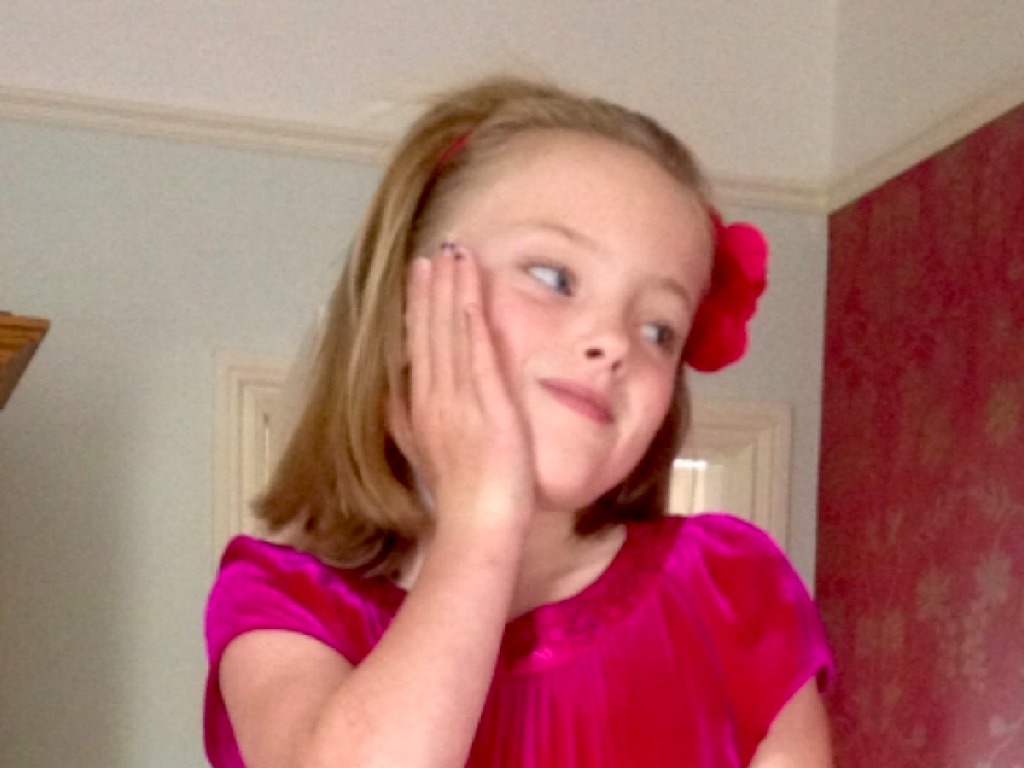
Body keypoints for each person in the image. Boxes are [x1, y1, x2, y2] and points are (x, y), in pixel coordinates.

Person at [203, 75, 834, 768]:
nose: (613, 342)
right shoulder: (285, 602)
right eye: (555, 278)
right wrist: (483, 521)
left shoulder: (731, 594)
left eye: (658, 328)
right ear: (407, 305)